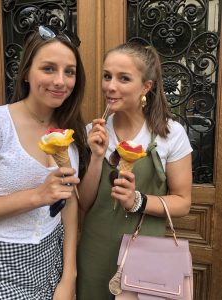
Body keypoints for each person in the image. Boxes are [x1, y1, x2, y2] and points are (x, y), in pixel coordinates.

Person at [76, 42, 193, 299]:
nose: (110, 86)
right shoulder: (93, 132)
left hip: (145, 258)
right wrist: (96, 157)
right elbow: (84, 203)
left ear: (146, 87)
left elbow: (183, 203)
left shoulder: (170, 135)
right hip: (94, 254)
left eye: (123, 78)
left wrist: (137, 200)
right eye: (107, 76)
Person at [0, 25, 88, 300]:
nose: (60, 81)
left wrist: (69, 276)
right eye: (48, 69)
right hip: (4, 262)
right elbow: (47, 195)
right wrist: (38, 195)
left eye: (69, 71)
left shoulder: (70, 131)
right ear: (26, 72)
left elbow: (69, 202)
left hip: (51, 259)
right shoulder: (2, 125)